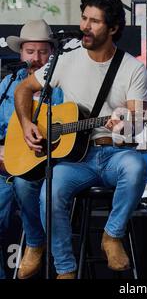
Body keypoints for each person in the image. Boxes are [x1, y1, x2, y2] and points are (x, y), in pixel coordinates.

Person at [14, 0, 147, 279]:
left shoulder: (133, 68)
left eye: (95, 21)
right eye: (84, 18)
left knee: (136, 167)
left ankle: (112, 235)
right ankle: (65, 269)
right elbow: (24, 89)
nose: (85, 26)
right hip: (76, 159)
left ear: (113, 28)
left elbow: (138, 122)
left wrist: (126, 123)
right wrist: (27, 124)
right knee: (51, 192)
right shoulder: (66, 58)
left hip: (115, 153)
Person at [0, 19, 63, 279]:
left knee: (26, 185)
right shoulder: (6, 86)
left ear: (51, 54)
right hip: (4, 170)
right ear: (20, 53)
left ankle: (37, 243)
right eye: (30, 51)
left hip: (41, 169)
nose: (36, 58)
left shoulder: (61, 88)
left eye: (43, 52)